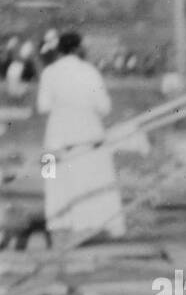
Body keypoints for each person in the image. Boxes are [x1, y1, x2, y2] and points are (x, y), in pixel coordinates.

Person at [36, 32, 125, 241]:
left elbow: (43, 106)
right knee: (93, 177)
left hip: (57, 135)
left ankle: (58, 222)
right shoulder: (89, 71)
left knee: (56, 180)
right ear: (77, 49)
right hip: (87, 132)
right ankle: (97, 223)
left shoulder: (50, 72)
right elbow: (104, 107)